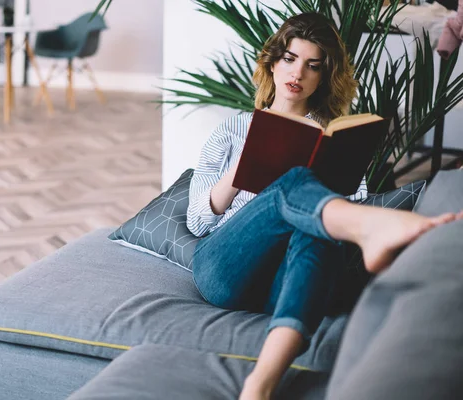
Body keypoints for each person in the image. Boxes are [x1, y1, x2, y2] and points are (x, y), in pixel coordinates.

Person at [186, 12, 463, 400]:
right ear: (272, 63)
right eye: (289, 59)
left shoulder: (334, 138)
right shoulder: (232, 129)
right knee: (295, 184)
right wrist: (247, 163)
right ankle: (373, 226)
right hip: (225, 269)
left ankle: (261, 383)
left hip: (286, 279)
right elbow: (198, 220)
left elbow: (346, 212)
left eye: (312, 65)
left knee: (319, 229)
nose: (298, 72)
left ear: (323, 77)